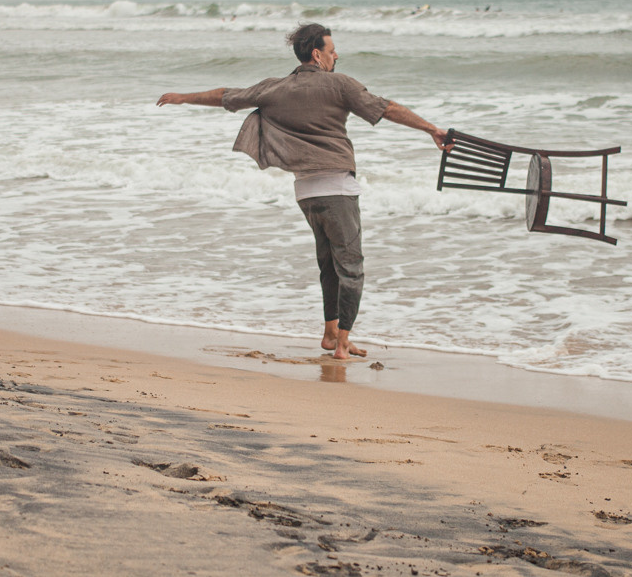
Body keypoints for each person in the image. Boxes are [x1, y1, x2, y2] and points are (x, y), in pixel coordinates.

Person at [157, 23, 448, 361]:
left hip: (305, 193)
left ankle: (329, 333)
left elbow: (226, 96)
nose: (336, 55)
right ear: (317, 54)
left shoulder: (274, 88)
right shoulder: (339, 84)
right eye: (332, 50)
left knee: (328, 265)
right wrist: (431, 129)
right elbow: (386, 108)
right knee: (351, 267)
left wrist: (183, 98)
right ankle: (342, 343)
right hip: (337, 188)